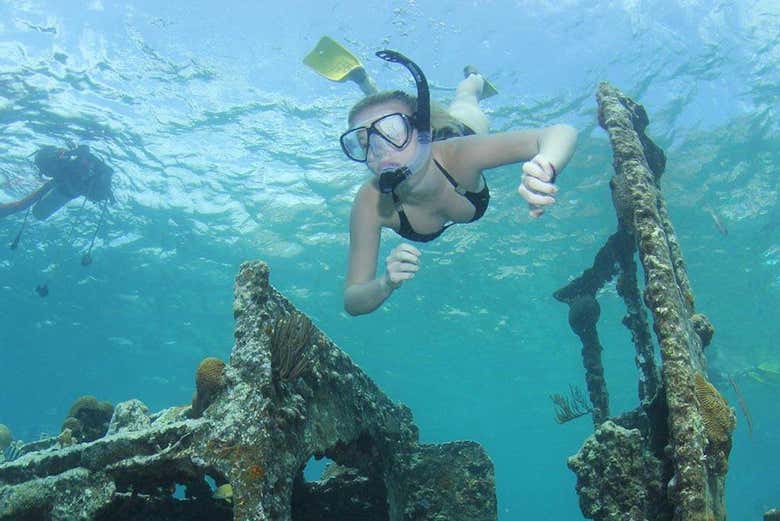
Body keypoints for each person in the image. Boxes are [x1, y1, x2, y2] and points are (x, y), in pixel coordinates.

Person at [337, 50, 577, 316]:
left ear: (423, 131)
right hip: (421, 142)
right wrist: (385, 284)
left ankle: (474, 77)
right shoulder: (371, 201)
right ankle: (367, 87)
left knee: (466, 100)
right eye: (363, 142)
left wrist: (546, 164)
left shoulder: (460, 154)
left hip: (459, 129)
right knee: (383, 126)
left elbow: (560, 132)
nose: (378, 151)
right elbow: (353, 300)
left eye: (393, 134)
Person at [0, 144, 115, 221]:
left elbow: (84, 150)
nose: (48, 173)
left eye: (48, 168)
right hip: (83, 190)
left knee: (39, 212)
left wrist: (70, 153)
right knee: (38, 213)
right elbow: (21, 205)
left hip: (93, 188)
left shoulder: (78, 162)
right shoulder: (57, 181)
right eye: (45, 171)